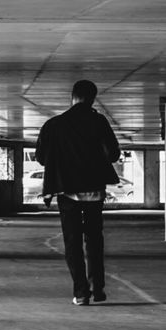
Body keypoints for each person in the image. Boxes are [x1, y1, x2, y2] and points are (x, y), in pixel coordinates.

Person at [35, 79, 122, 306]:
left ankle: (81, 293)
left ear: (72, 97)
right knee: (94, 239)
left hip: (67, 192)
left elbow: (42, 158)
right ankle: (98, 288)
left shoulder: (53, 125)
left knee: (72, 243)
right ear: (93, 99)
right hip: (94, 191)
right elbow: (113, 154)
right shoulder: (99, 121)